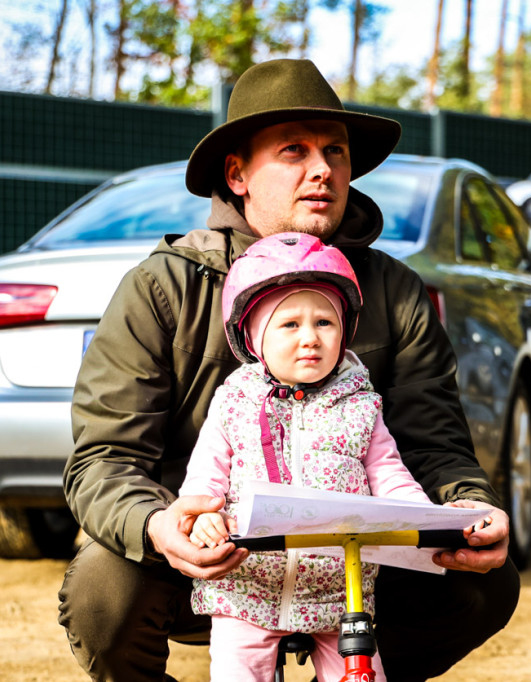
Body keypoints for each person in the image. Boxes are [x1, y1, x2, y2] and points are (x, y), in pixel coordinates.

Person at [59, 58, 520, 682]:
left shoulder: (394, 290)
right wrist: (160, 524)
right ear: (237, 173)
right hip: (206, 557)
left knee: (483, 583)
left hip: (355, 566)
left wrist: (470, 506)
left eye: (335, 150)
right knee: (101, 591)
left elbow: (435, 445)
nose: (323, 169)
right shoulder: (161, 289)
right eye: (294, 150)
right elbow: (103, 461)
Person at [180, 232, 446, 681]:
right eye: (289, 325)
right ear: (253, 336)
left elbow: (389, 473)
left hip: (339, 591)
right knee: (236, 671)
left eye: (324, 322)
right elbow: (204, 478)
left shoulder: (360, 405)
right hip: (247, 584)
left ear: (345, 330)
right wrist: (202, 516)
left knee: (364, 671)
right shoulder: (234, 402)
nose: (310, 338)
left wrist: (421, 516)